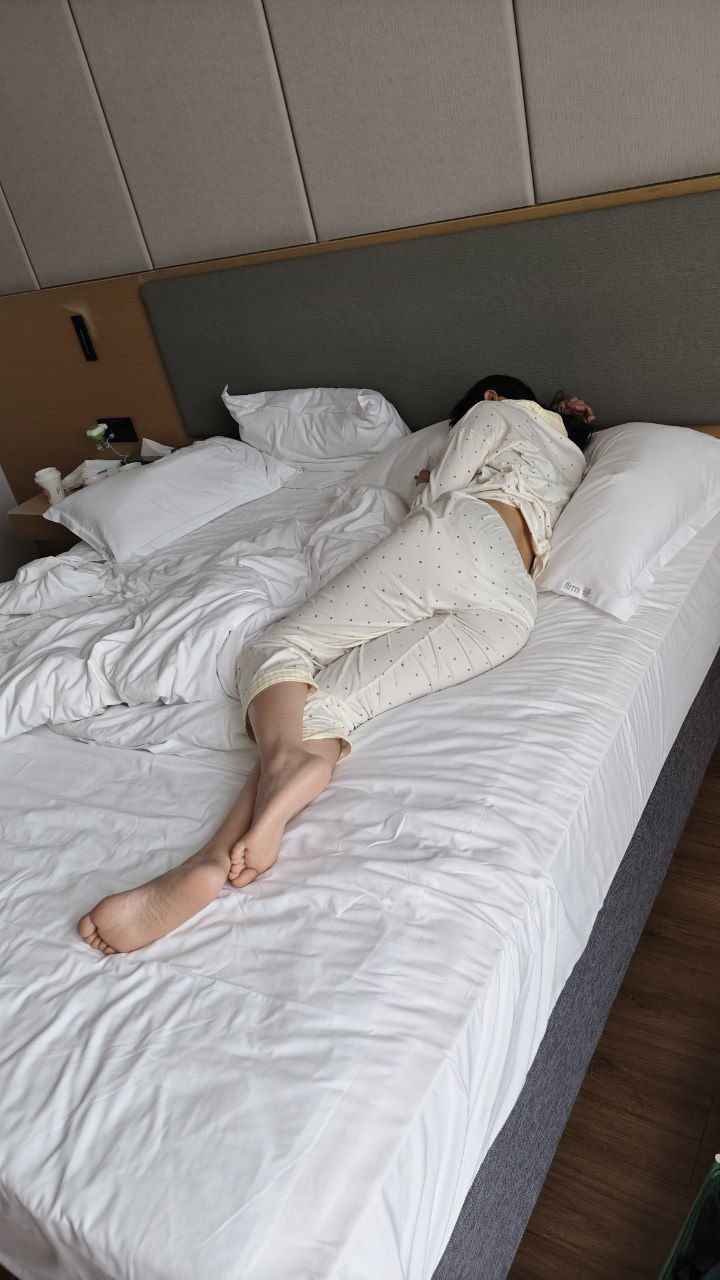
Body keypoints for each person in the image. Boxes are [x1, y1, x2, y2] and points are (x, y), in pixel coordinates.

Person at [78, 376, 595, 954]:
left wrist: (429, 478)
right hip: (509, 611)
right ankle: (212, 856)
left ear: (491, 396)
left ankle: (277, 771)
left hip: (458, 538)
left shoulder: (496, 414)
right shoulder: (573, 461)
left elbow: (445, 486)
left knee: (278, 649)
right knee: (327, 705)